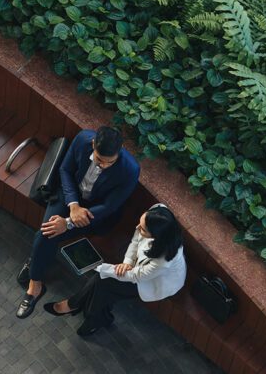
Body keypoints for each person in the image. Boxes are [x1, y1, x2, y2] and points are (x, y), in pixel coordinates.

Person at [15, 126, 140, 318]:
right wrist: (73, 205)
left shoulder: (130, 170)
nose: (103, 166)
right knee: (47, 232)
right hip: (69, 196)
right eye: (99, 160)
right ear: (93, 144)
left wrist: (68, 223)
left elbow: (109, 206)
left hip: (95, 213)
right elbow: (65, 170)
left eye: (109, 162)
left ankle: (35, 269)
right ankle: (35, 283)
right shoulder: (83, 139)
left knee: (47, 233)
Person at [43, 203, 187, 336]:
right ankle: (91, 316)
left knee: (102, 281)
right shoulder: (157, 211)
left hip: (152, 282)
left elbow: (137, 277)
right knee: (103, 286)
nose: (137, 228)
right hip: (138, 269)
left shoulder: (163, 260)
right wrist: (127, 262)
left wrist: (102, 268)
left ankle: (74, 304)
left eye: (143, 229)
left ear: (156, 236)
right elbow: (136, 240)